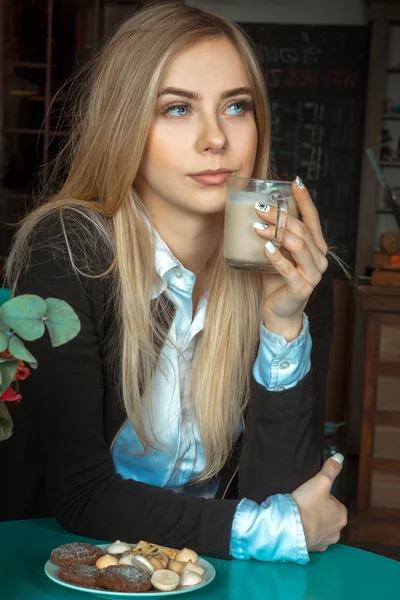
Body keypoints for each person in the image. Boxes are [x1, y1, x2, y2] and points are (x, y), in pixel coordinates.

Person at [6, 2, 347, 564]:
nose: (216, 138)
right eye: (177, 109)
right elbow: (78, 495)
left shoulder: (298, 268)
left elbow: (285, 497)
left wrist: (282, 324)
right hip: (61, 568)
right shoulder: (68, 247)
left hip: (208, 574)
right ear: (125, 123)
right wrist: (269, 532)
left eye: (236, 106)